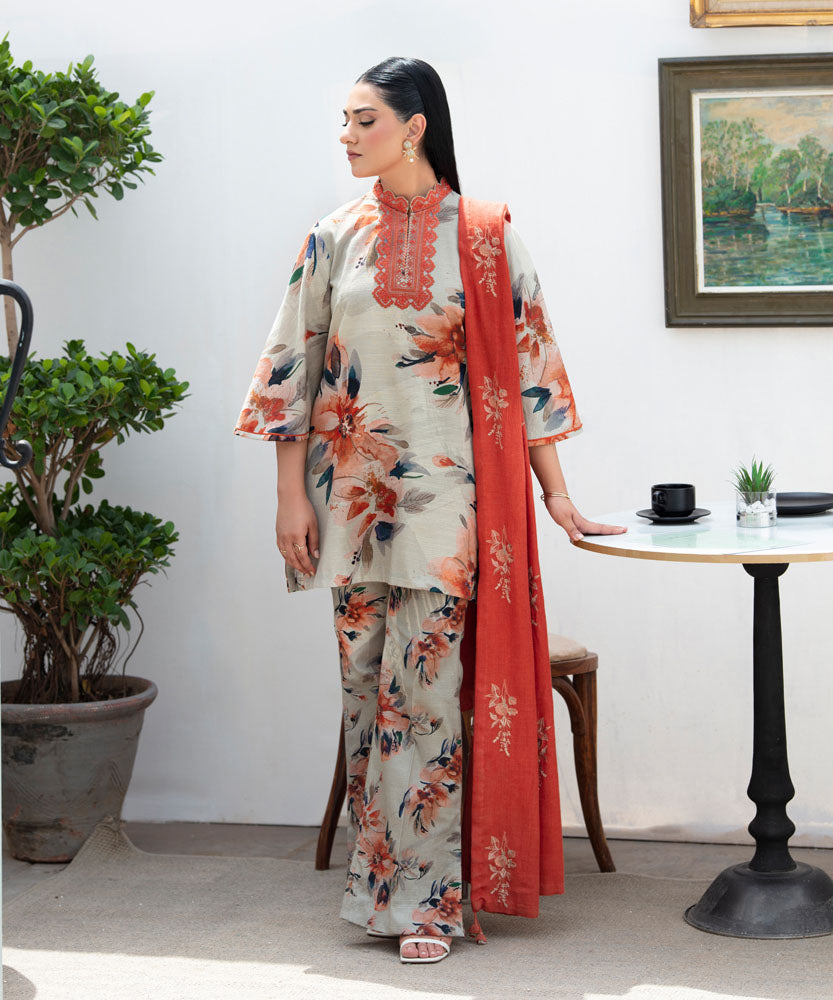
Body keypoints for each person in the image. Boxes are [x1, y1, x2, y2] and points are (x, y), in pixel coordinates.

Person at [234, 56, 627, 965]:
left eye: (362, 120)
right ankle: (385, 885)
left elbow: (531, 377)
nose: (346, 135)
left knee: (425, 700)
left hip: (452, 510)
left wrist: (558, 498)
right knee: (367, 699)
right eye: (342, 120)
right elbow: (290, 373)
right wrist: (289, 500)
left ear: (413, 127)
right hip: (351, 507)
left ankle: (425, 906)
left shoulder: (485, 237)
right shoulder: (332, 237)